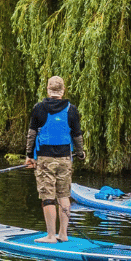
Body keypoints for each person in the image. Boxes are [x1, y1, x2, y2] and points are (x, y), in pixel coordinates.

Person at [22, 76, 86, 242]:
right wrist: (80, 153)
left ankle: (51, 235)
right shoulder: (72, 109)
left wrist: (29, 156)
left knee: (48, 197)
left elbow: (32, 134)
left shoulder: (39, 108)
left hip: (45, 160)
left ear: (48, 90)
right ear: (63, 90)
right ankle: (63, 234)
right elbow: (77, 135)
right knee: (64, 195)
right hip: (65, 158)